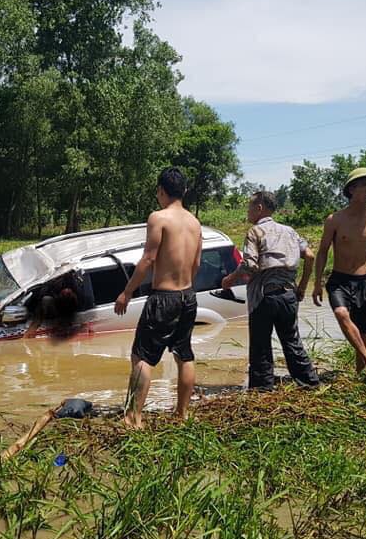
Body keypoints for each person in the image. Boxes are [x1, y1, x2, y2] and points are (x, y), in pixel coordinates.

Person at [114, 167, 202, 429]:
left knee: (141, 357)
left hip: (164, 297)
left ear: (161, 191)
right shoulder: (195, 223)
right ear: (184, 191)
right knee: (184, 355)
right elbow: (196, 264)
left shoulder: (158, 218)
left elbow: (148, 259)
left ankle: (133, 418)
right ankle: (182, 415)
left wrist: (127, 292)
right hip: (188, 296)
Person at [220, 190, 319, 390]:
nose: (247, 211)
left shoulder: (255, 232)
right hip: (288, 295)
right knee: (292, 341)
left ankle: (262, 389)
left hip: (263, 296)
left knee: (260, 346)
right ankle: (310, 383)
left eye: (249, 207)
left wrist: (230, 279)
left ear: (259, 208)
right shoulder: (290, 231)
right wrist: (301, 286)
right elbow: (309, 256)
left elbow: (250, 265)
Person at [312, 167, 366, 379]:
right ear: (351, 190)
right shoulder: (335, 220)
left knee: (363, 335)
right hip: (340, 280)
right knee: (341, 314)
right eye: (364, 185)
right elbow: (322, 251)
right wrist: (317, 283)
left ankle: (361, 377)